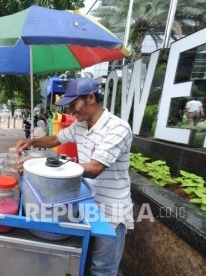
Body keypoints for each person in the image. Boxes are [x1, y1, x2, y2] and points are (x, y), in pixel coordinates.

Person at [16, 77, 134, 276]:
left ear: (90, 98)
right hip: (86, 203)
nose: (71, 111)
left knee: (102, 270)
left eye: (74, 104)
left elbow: (95, 167)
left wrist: (45, 168)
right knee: (83, 263)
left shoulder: (118, 128)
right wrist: (32, 141)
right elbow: (55, 138)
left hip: (111, 211)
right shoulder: (80, 125)